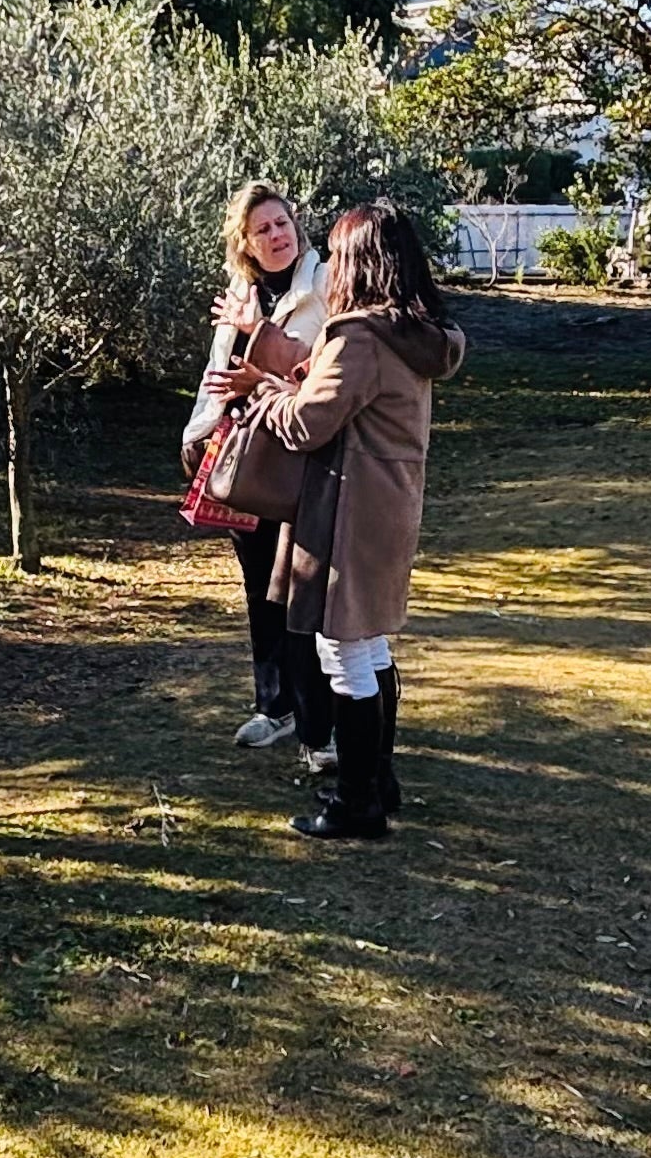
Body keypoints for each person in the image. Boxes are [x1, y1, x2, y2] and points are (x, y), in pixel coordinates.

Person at [241, 202, 464, 840]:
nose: (330, 264)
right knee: (370, 644)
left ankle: (357, 801)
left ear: (361, 262)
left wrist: (267, 393)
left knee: (343, 649)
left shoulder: (359, 335)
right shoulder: (415, 332)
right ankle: (378, 782)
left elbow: (309, 425)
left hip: (349, 509)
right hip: (390, 504)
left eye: (338, 254)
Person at [187, 182, 336, 763]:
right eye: (263, 230)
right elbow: (216, 373)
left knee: (301, 592)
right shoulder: (240, 291)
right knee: (257, 585)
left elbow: (318, 371)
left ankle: (317, 718)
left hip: (295, 460)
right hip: (242, 458)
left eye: (282, 224)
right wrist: (196, 434)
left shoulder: (323, 285)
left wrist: (259, 338)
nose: (277, 236)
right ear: (245, 243)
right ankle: (273, 704)